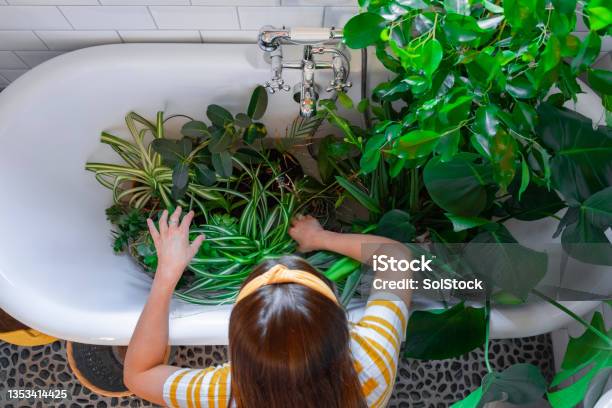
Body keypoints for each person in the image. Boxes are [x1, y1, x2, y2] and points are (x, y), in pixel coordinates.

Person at [123, 206, 413, 408]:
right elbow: (396, 257)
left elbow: (139, 374)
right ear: (340, 322)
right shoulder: (373, 360)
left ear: (236, 346)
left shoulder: (225, 394)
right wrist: (319, 238)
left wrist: (166, 275)